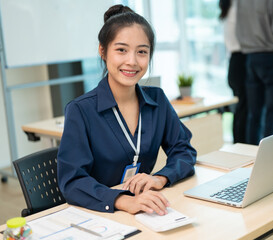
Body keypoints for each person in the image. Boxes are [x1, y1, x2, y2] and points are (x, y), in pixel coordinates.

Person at [57, 5, 196, 216]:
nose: (132, 61)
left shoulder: (157, 100)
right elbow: (72, 181)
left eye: (142, 52)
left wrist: (160, 178)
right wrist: (122, 201)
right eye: (121, 50)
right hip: (102, 215)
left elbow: (183, 150)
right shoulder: (80, 110)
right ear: (103, 51)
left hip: (147, 209)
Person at [236, 0, 273, 145]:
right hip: (272, 56)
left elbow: (239, 30)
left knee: (254, 114)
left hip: (251, 57)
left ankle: (252, 161)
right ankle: (270, 160)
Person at [219, 0, 248, 143]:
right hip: (241, 61)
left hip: (234, 63)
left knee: (241, 109)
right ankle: (241, 145)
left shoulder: (228, 7)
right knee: (244, 110)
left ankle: (239, 144)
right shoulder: (238, 7)